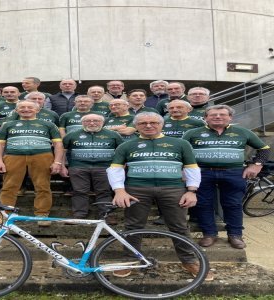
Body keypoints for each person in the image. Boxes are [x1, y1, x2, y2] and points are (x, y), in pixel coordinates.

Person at [106, 112, 213, 280]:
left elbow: (191, 167)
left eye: (153, 122)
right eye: (143, 123)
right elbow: (115, 169)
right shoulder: (126, 145)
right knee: (133, 227)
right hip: (137, 189)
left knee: (179, 227)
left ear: (161, 124)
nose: (148, 126)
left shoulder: (180, 143)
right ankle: (129, 261)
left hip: (173, 188)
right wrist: (119, 190)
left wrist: (192, 191)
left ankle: (189, 261)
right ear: (136, 126)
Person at [183, 105, 271, 249]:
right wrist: (184, 170)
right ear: (205, 118)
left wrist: (257, 164)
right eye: (213, 115)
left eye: (222, 114)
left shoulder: (243, 132)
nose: (218, 117)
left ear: (230, 117)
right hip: (202, 173)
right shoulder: (192, 133)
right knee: (203, 204)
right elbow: (182, 152)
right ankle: (209, 234)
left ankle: (235, 235)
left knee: (233, 204)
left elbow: (264, 149)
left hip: (234, 172)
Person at [0, 101, 64, 226]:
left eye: (30, 107)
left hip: (42, 155)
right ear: (17, 110)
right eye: (22, 107)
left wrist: (57, 161)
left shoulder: (49, 124)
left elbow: (58, 144)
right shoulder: (7, 124)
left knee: (43, 186)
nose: (26, 109)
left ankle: (42, 215)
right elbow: (0, 144)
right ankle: (4, 216)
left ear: (37, 110)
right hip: (14, 156)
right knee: (9, 186)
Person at [60, 114, 123, 223]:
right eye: (88, 121)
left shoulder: (114, 135)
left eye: (96, 121)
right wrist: (61, 166)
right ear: (82, 123)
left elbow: (121, 152)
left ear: (102, 122)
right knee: (79, 191)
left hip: (105, 168)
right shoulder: (72, 135)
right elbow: (63, 151)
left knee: (104, 191)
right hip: (78, 167)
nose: (92, 123)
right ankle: (79, 215)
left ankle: (106, 215)